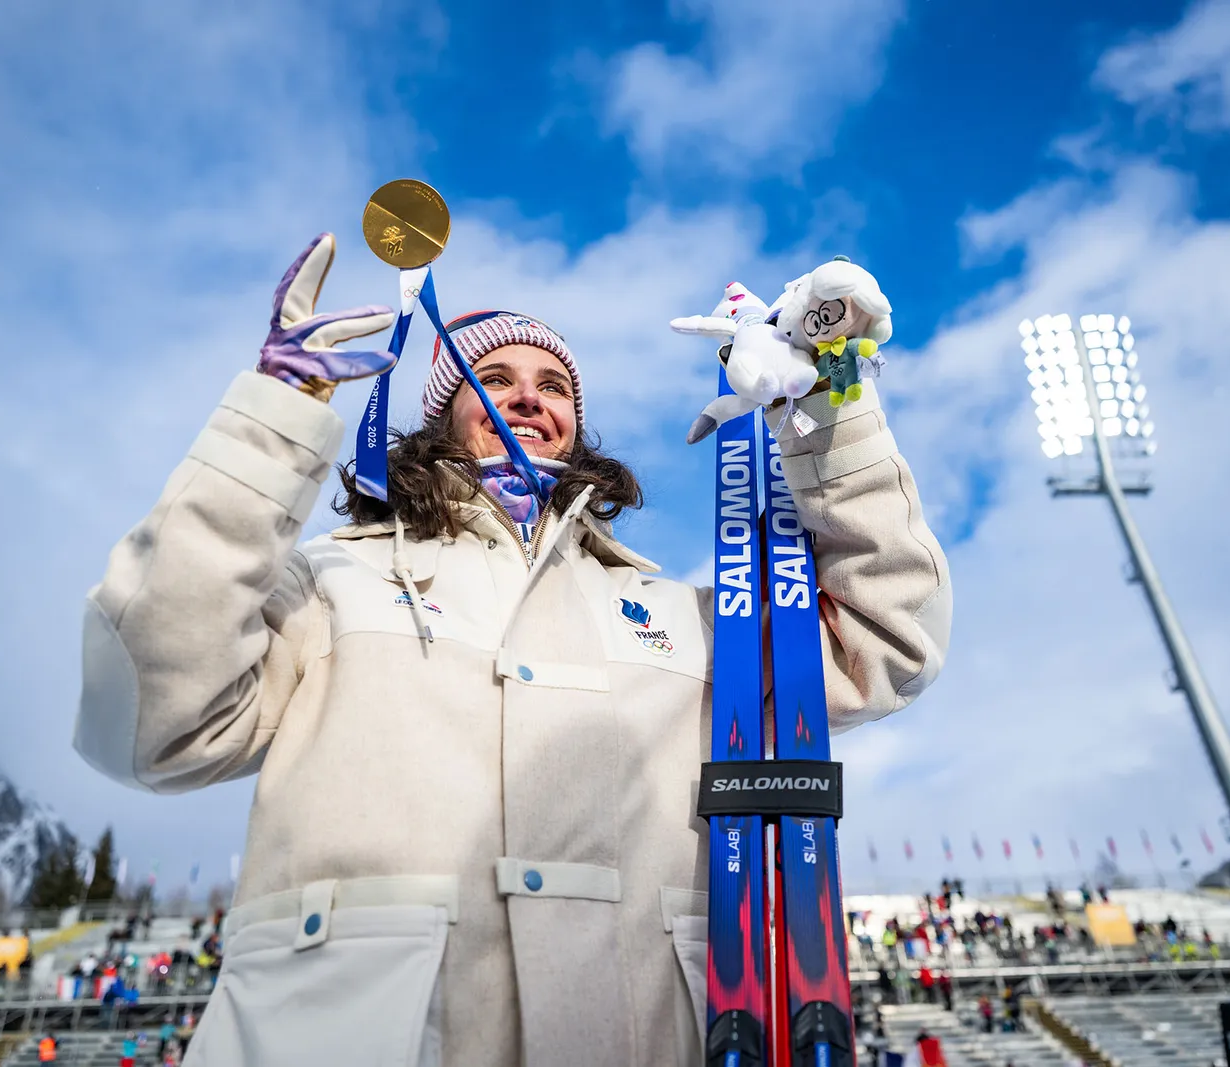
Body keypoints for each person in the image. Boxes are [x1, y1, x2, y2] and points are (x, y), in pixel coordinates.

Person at [74, 233, 951, 1066]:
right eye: (493, 378)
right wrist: (270, 424)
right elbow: (156, 723)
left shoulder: (679, 615)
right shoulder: (330, 587)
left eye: (553, 384)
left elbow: (885, 639)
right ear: (440, 416)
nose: (528, 396)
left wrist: (831, 408)